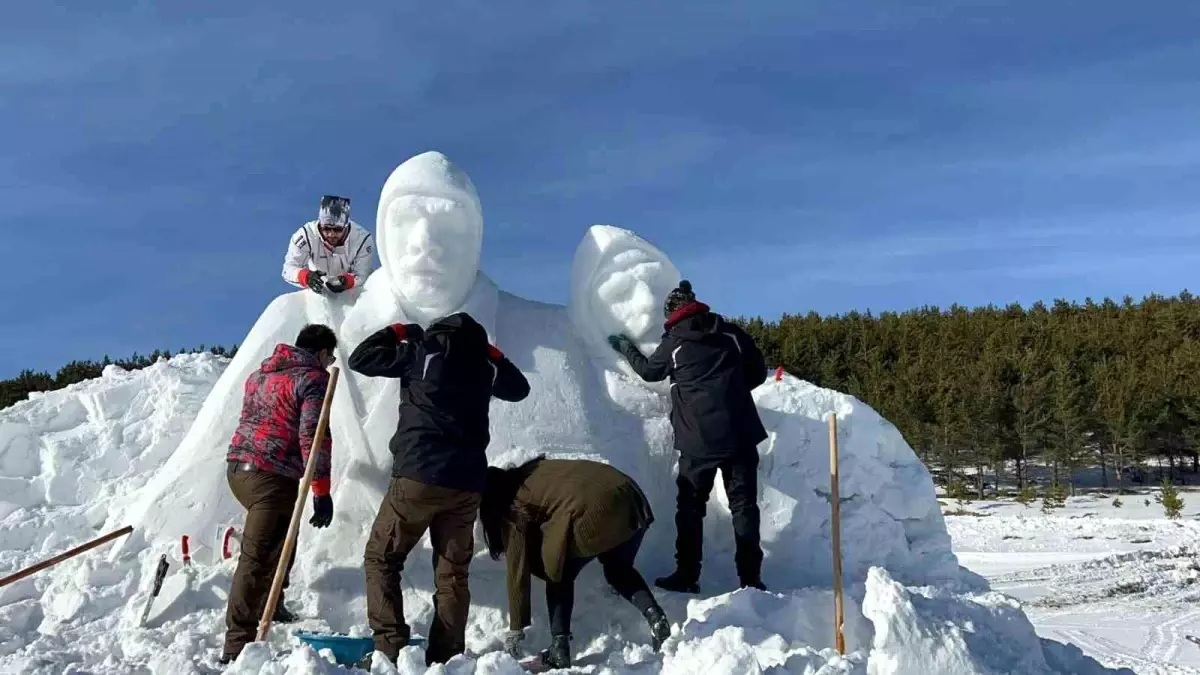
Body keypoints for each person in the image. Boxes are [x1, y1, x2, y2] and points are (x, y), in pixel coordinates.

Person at [347, 312, 530, 666]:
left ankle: (389, 646)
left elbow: (361, 358)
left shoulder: (422, 351)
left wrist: (398, 331)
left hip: (418, 474)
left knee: (381, 557)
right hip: (466, 484)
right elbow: (519, 389)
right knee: (452, 574)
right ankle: (446, 657)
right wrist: (491, 354)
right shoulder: (484, 367)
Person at [607, 279, 769, 593]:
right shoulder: (730, 333)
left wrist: (627, 348)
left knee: (692, 510)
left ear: (671, 314)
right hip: (740, 435)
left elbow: (650, 372)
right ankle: (751, 580)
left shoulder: (675, 342)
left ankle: (687, 574)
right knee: (744, 508)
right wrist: (731, 391)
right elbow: (758, 371)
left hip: (699, 442)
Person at [480, 456, 672, 670]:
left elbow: (517, 570)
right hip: (631, 496)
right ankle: (656, 619)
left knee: (557, 569)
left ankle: (559, 648)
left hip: (594, 509)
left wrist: (516, 628)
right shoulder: (536, 472)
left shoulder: (510, 503)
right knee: (618, 569)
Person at [220, 324, 338, 664]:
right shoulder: (312, 379)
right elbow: (313, 437)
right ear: (319, 353)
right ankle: (237, 644)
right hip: (269, 476)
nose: (330, 363)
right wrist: (322, 490)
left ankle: (275, 599)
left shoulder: (261, 373)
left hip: (239, 469)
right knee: (256, 557)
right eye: (329, 356)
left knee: (284, 532)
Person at [282, 194, 375, 294]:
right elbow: (288, 269)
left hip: (352, 295)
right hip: (319, 295)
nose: (331, 234)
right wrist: (306, 277)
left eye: (337, 229)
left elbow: (363, 274)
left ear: (346, 226)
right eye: (326, 228)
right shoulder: (305, 236)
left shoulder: (362, 240)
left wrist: (348, 281)